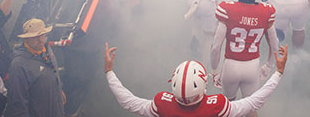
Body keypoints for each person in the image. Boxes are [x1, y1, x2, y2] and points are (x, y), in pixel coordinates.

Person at [105, 44, 288, 117]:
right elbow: (254, 100)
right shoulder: (216, 106)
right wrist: (277, 73)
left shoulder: (162, 104)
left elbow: (127, 101)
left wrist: (109, 72)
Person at [210, 0, 278, 101]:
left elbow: (216, 47)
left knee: (228, 108)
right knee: (250, 107)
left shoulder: (227, 9)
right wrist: (269, 65)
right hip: (252, 65)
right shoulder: (266, 11)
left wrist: (214, 71)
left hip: (231, 65)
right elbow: (274, 43)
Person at [5, 18, 66, 117]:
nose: (41, 39)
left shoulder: (46, 48)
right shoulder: (19, 65)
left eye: (43, 35)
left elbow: (52, 71)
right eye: (36, 36)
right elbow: (18, 105)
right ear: (26, 38)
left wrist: (58, 89)